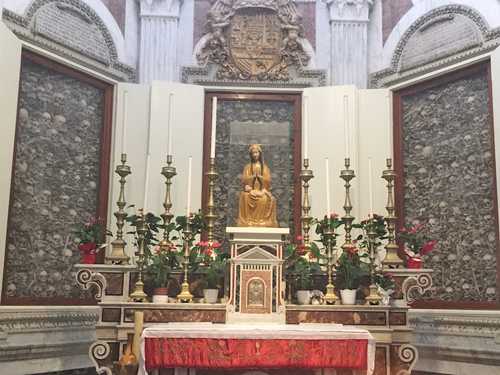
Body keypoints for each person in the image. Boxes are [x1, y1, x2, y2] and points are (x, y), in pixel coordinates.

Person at [237, 144, 278, 227]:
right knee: (245, 196)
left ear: (260, 154)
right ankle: (249, 220)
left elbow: (268, 180)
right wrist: (252, 178)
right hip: (250, 190)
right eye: (253, 153)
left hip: (262, 190)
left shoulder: (265, 167)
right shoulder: (247, 167)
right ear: (251, 155)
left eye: (256, 153)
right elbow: (244, 180)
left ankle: (262, 221)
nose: (255, 155)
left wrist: (260, 177)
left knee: (266, 199)